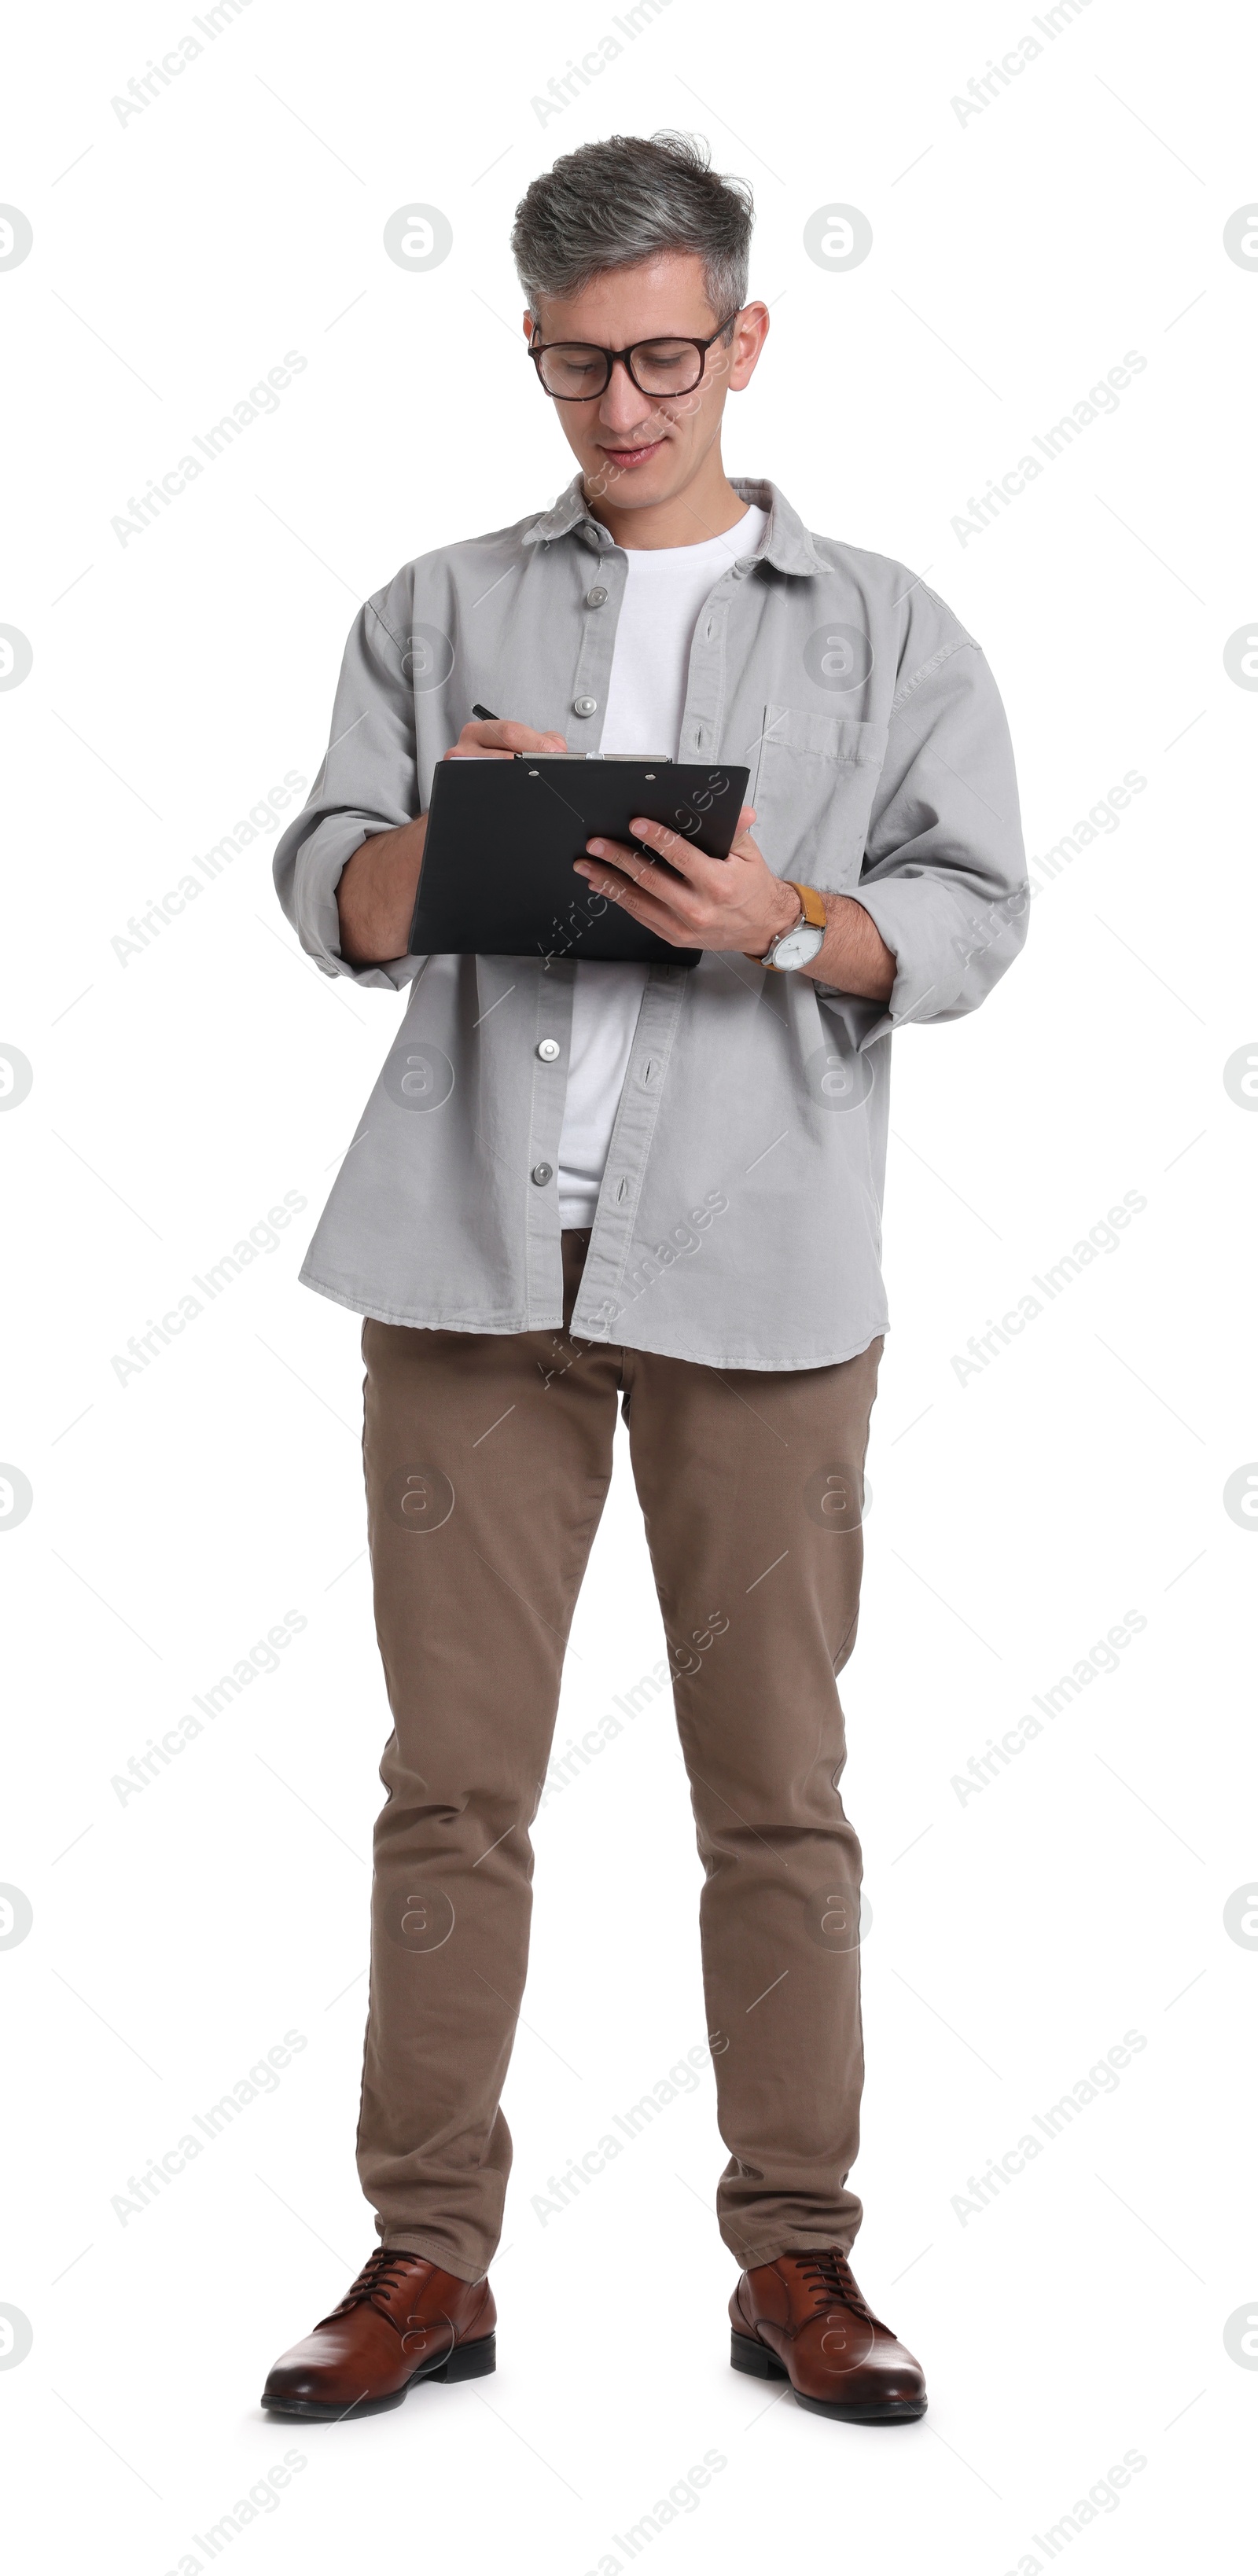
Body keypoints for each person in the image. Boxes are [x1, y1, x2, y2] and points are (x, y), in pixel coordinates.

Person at [263, 127, 1027, 2428]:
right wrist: (458, 837)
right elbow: (329, 888)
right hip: (469, 1266)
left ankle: (799, 2262)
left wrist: (785, 920)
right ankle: (427, 2256)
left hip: (767, 1288)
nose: (623, 411)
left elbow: (974, 914)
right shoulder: (433, 607)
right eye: (579, 367)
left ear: (746, 344)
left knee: (775, 1789)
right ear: (531, 354)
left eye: (666, 360)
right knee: (453, 1788)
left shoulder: (889, 627)